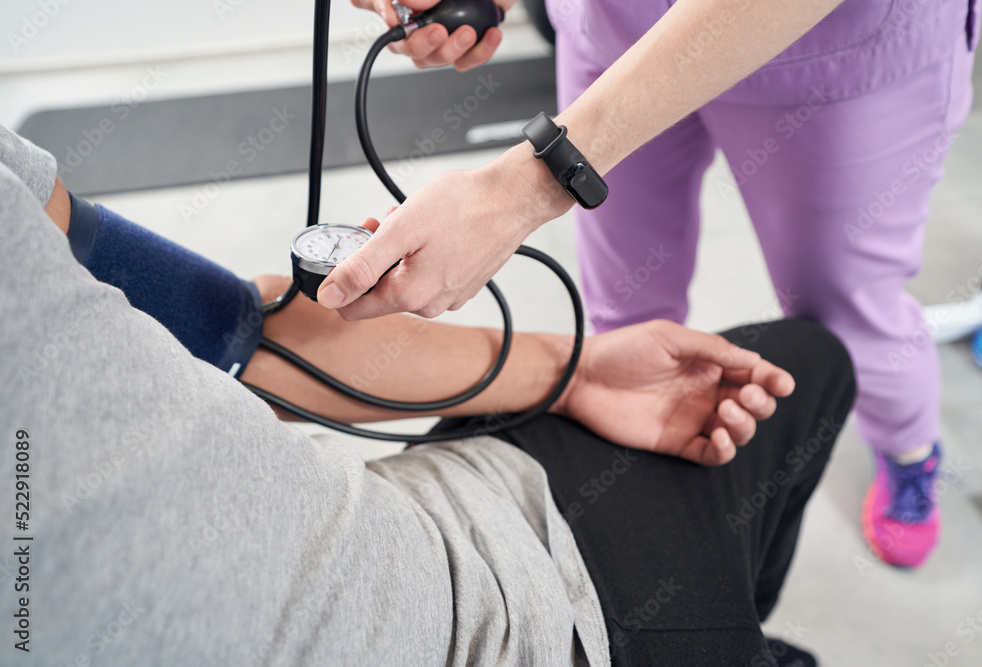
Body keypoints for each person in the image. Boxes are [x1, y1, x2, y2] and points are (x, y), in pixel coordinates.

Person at [0, 127, 855, 664]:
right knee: (804, 373)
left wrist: (575, 372)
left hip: (457, 529)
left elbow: (244, 336)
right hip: (534, 623)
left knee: (798, 368)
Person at [328, 0, 982, 568]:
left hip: (831, 55)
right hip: (619, 31)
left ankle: (910, 451)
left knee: (846, 314)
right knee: (623, 305)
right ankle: (642, 455)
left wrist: (526, 189)